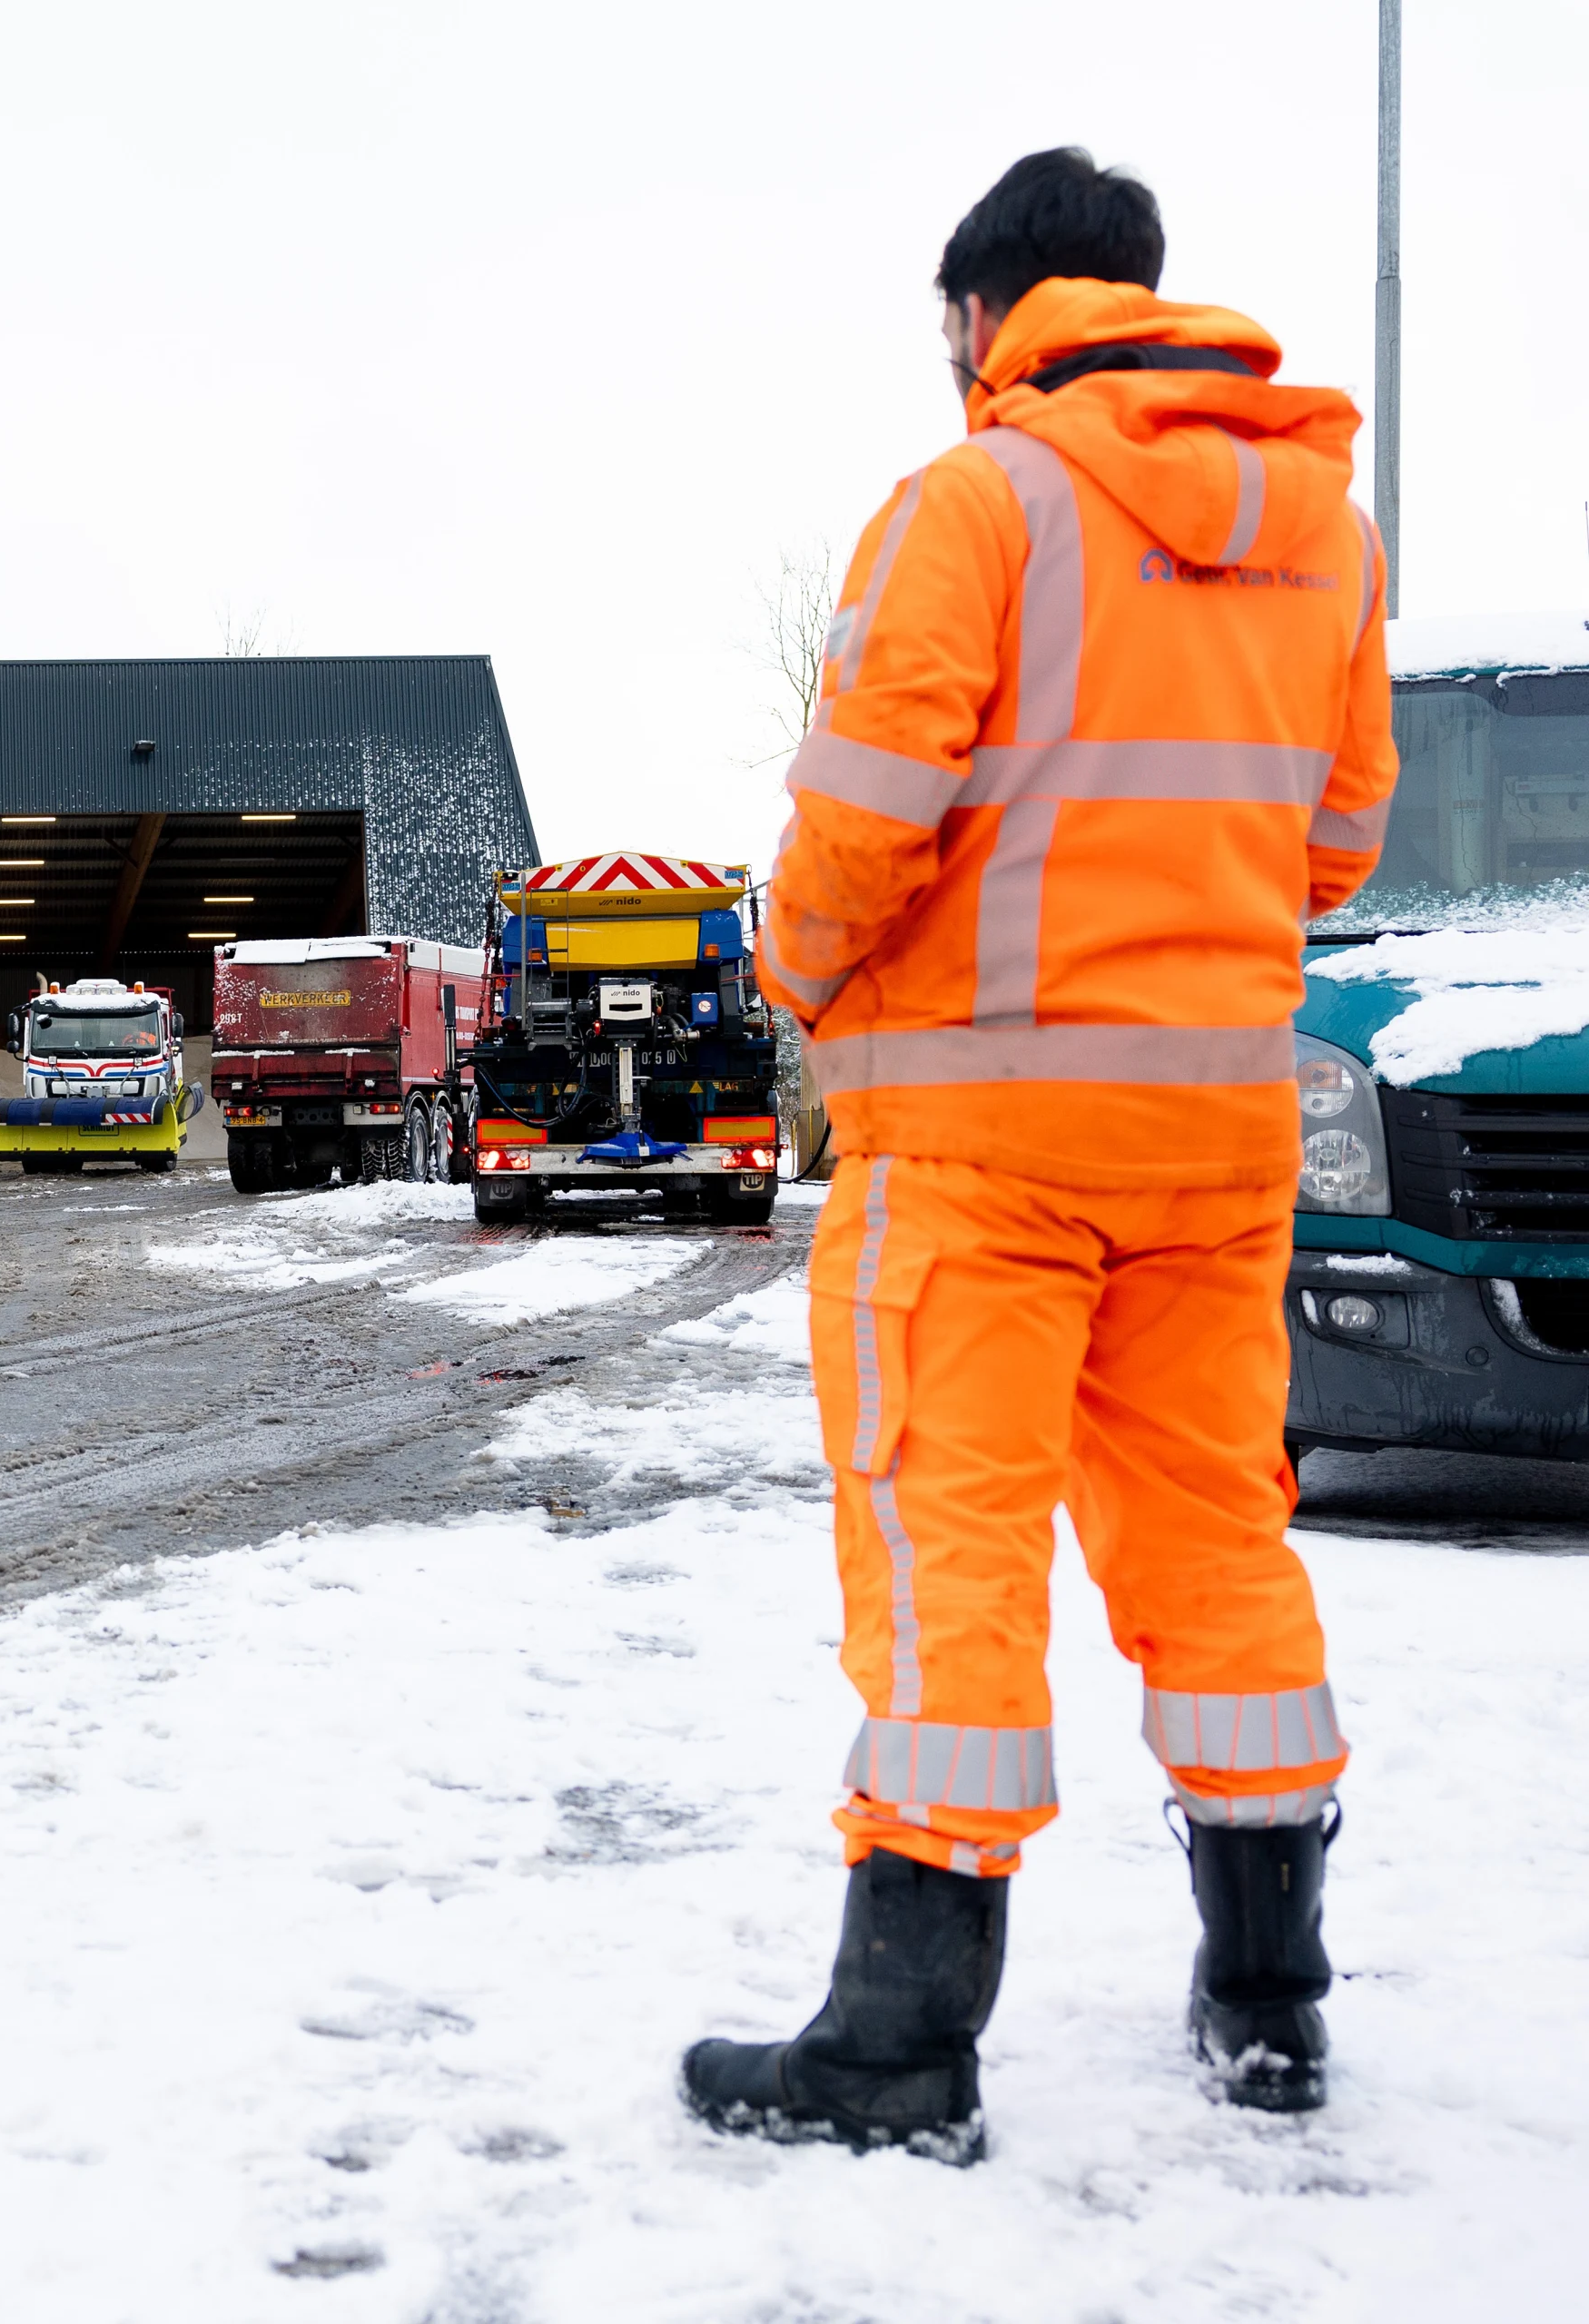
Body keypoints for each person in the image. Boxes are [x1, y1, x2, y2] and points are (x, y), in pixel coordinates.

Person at [682, 147, 1392, 2161]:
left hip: (979, 1142)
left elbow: (863, 809)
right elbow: (1339, 841)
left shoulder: (978, 503)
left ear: (991, 318)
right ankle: (1272, 2001)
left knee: (947, 1544)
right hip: (1221, 1130)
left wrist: (807, 983)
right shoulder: (1326, 533)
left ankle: (902, 2037)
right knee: (1217, 1538)